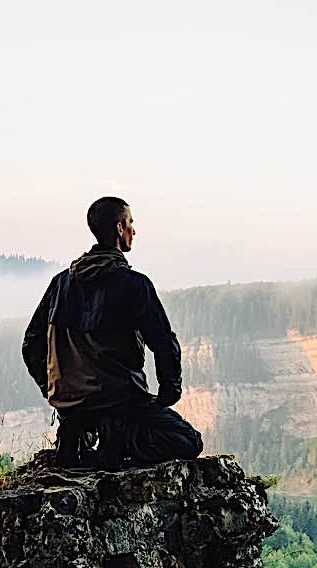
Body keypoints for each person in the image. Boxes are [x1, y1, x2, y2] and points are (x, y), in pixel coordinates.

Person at [21, 196, 203, 468]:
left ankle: (76, 434)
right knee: (188, 441)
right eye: (130, 223)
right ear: (119, 228)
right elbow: (164, 343)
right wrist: (168, 394)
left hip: (72, 406)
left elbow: (31, 344)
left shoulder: (60, 284)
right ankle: (117, 437)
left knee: (87, 420)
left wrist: (54, 391)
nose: (134, 231)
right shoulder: (134, 285)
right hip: (120, 400)